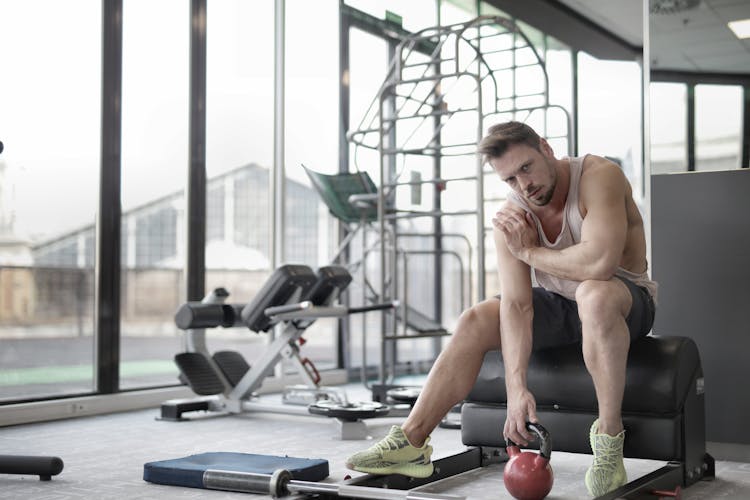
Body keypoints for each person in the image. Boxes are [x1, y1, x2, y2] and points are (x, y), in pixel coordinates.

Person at [345, 121, 657, 497]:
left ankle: (608, 440)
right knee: (477, 317)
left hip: (622, 299)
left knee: (593, 294)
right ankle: (411, 443)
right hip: (560, 306)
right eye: (510, 179)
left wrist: (529, 252)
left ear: (546, 148)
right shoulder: (513, 216)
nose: (523, 185)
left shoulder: (598, 176)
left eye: (526, 167)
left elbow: (599, 264)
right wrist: (516, 390)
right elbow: (517, 304)